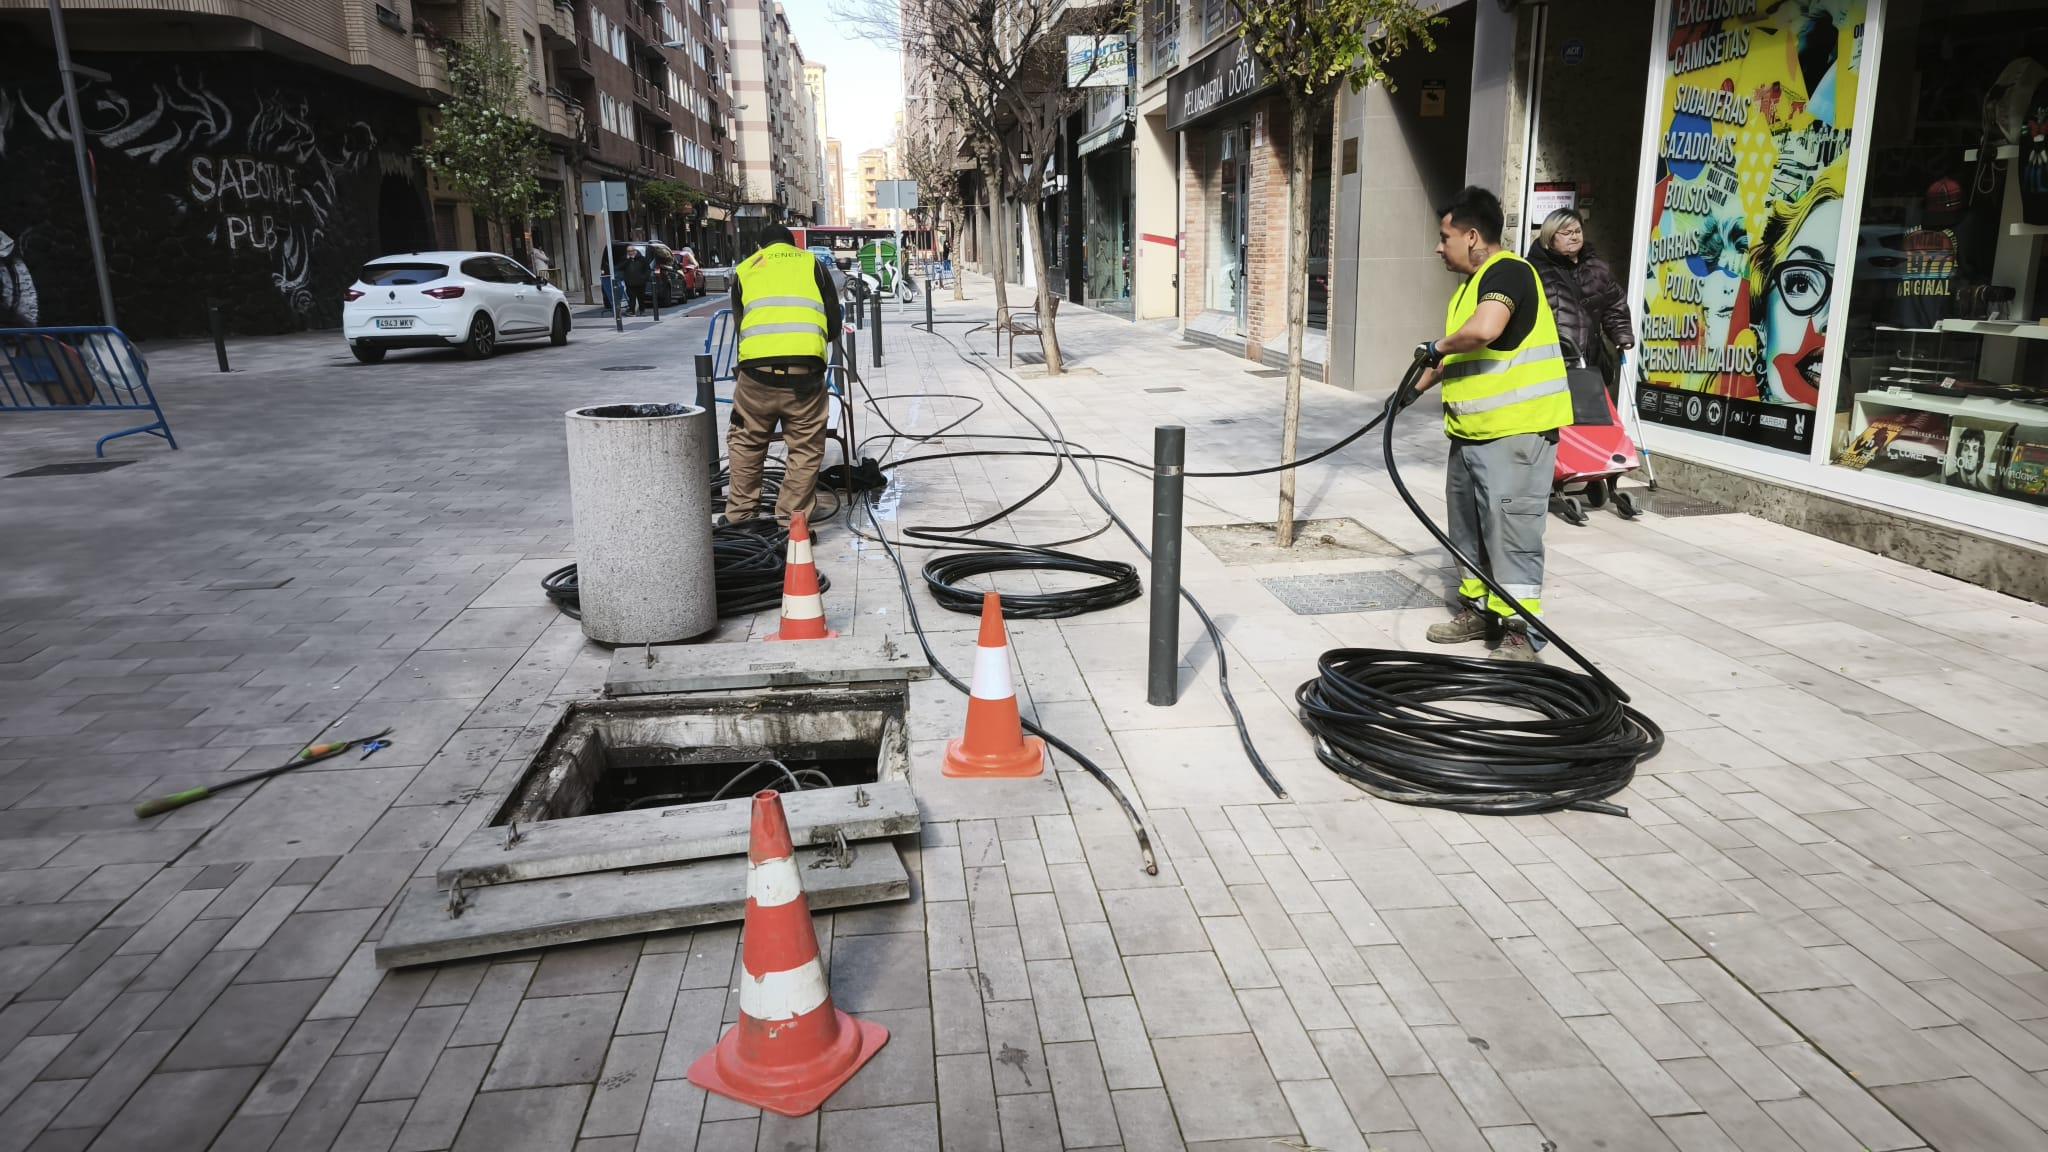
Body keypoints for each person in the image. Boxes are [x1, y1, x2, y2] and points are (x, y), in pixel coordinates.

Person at [1414, 187, 1575, 662]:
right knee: (1467, 529)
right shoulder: (1470, 285)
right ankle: (1478, 609)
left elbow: (1484, 330)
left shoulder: (1508, 272)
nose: (1438, 248)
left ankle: (1521, 633)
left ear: (1472, 235)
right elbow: (1458, 352)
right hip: (1471, 435)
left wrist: (1438, 347)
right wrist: (1411, 389)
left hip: (1516, 435)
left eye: (1445, 237)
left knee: (1512, 535)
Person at [725, 223, 844, 527]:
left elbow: (742, 327)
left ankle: (740, 520)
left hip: (756, 375)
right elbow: (833, 325)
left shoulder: (744, 270)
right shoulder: (813, 264)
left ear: (760, 247)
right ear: (793, 245)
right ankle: (792, 524)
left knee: (746, 443)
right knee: (805, 448)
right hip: (805, 374)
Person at [1525, 208, 1633, 390]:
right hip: (1551, 363)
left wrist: (1621, 335)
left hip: (1592, 362)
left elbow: (1615, 304)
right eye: (1566, 233)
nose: (1574, 237)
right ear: (1550, 237)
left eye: (1577, 231)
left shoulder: (1597, 268)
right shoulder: (1532, 270)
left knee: (1589, 415)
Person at [620, 247, 649, 317]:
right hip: (630, 283)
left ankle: (642, 311)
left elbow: (647, 269)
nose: (630, 252)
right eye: (628, 251)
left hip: (640, 282)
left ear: (635, 251)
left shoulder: (642, 259)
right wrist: (628, 259)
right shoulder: (626, 260)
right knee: (631, 298)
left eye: (632, 251)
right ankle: (631, 311)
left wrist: (644, 278)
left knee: (641, 297)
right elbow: (621, 267)